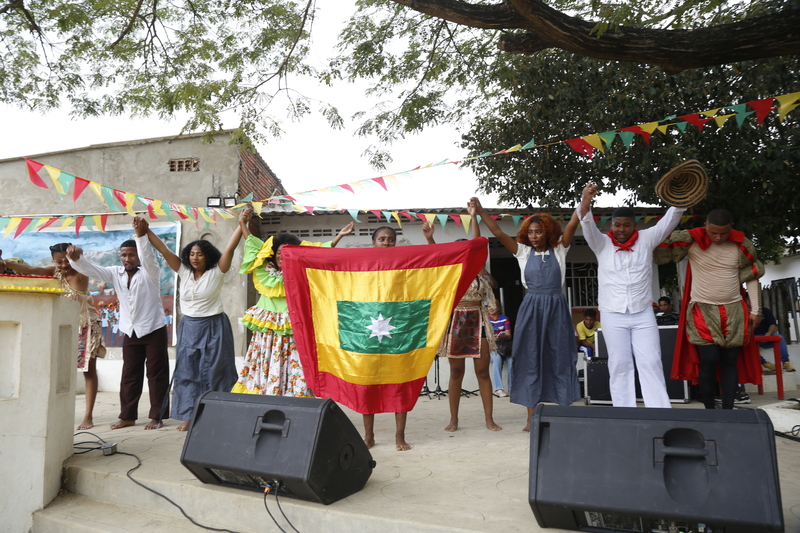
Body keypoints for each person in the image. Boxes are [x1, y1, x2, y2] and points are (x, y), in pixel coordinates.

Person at [472, 197, 581, 432]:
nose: (533, 235)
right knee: (530, 359)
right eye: (530, 232)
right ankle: (531, 417)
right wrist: (480, 211)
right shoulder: (522, 252)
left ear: (548, 232)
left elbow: (572, 224)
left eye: (538, 232)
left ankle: (561, 412)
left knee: (560, 358)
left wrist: (584, 201)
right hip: (531, 308)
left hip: (557, 310)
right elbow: (498, 232)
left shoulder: (560, 249)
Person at [579, 182, 685, 408]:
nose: (621, 229)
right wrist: (586, 200)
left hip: (643, 312)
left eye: (626, 225)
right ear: (612, 225)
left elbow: (670, 220)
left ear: (634, 225)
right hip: (612, 314)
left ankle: (660, 411)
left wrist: (681, 197)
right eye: (617, 225)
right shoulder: (602, 243)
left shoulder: (647, 239)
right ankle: (624, 410)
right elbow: (587, 224)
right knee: (619, 363)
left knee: (651, 361)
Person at [144, 209, 249, 431]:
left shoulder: (217, 271)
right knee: (188, 371)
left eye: (200, 254)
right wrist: (146, 231)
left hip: (214, 326)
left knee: (216, 371)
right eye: (192, 253)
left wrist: (242, 223)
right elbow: (163, 250)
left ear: (208, 256)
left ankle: (217, 415)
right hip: (190, 327)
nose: (195, 257)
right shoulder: (183, 271)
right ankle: (189, 416)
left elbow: (230, 247)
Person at [656, 208, 764, 409]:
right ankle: (709, 411)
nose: (718, 237)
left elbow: (752, 277)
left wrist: (756, 310)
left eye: (723, 233)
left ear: (731, 228)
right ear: (705, 226)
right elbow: (659, 248)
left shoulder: (741, 246)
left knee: (730, 361)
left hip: (734, 310)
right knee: (709, 358)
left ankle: (728, 411)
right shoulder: (691, 242)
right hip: (702, 310)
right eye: (714, 232)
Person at [67, 217, 169, 430]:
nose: (127, 259)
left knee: (156, 374)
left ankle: (157, 416)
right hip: (130, 330)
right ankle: (128, 416)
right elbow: (92, 269)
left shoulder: (151, 272)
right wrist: (77, 259)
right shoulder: (116, 273)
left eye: (131, 255)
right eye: (124, 255)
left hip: (153, 328)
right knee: (130, 374)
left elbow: (148, 256)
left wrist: (141, 236)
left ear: (138, 256)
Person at [0, 244, 107, 430]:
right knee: (58, 369)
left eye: (68, 260)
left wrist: (76, 254)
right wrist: (5, 263)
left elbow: (80, 256)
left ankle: (88, 416)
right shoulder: (54, 272)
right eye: (59, 261)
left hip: (86, 325)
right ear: (53, 261)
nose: (64, 264)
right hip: (64, 327)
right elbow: (31, 269)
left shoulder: (81, 271)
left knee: (89, 371)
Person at [425, 209, 502, 433]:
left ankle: (489, 419)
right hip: (456, 323)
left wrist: (475, 216)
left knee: (482, 372)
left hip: (479, 322)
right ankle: (454, 419)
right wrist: (430, 239)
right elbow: (437, 260)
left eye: (468, 251)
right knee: (456, 372)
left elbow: (478, 244)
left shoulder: (479, 271)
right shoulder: (450, 273)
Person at [360, 225, 415, 450]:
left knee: (399, 383)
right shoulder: (362, 266)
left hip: (397, 331)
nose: (386, 243)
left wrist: (430, 239)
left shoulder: (403, 266)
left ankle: (399, 436)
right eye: (381, 239)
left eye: (390, 239)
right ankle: (369, 436)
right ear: (373, 243)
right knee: (367, 384)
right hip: (368, 331)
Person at [754, 307, 795, 373]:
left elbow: (772, 324)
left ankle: (786, 362)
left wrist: (768, 334)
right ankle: (765, 363)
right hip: (753, 337)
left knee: (779, 337)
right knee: (748, 344)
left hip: (767, 335)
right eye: (748, 299)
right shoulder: (745, 312)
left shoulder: (764, 310)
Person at [488, 304, 512, 397]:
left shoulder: (505, 319)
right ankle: (498, 389)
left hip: (504, 347)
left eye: (493, 306)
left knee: (512, 361)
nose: (491, 308)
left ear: (498, 308)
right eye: (489, 306)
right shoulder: (486, 319)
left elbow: (509, 335)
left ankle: (511, 389)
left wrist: (502, 336)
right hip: (491, 347)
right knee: (497, 358)